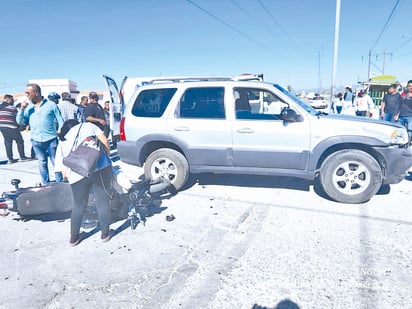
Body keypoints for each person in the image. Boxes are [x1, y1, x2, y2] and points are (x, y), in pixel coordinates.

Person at [54, 119, 113, 246]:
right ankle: (105, 234)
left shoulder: (63, 139)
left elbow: (63, 171)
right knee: (102, 202)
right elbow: (105, 141)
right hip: (100, 169)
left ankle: (74, 238)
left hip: (76, 175)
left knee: (78, 205)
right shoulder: (88, 126)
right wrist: (106, 157)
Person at [19, 83, 65, 185]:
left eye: (28, 93)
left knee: (55, 162)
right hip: (36, 140)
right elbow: (21, 121)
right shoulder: (28, 108)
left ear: (36, 93)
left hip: (51, 139)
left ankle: (60, 183)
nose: (26, 95)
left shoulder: (51, 105)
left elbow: (60, 120)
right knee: (42, 162)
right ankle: (45, 183)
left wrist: (61, 133)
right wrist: (22, 109)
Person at [0, 95, 30, 163]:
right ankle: (22, 157)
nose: (13, 102)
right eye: (12, 100)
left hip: (2, 126)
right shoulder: (12, 108)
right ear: (7, 100)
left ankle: (10, 159)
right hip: (11, 125)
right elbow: (17, 118)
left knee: (8, 141)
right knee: (19, 140)